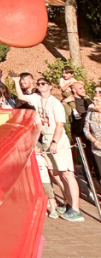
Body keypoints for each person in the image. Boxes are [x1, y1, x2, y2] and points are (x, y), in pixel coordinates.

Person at [36, 77, 84, 222]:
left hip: (57, 140)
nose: (40, 85)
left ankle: (76, 209)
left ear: (50, 86)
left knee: (68, 173)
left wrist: (55, 141)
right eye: (38, 84)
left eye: (43, 83)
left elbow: (60, 125)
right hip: (46, 138)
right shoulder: (38, 101)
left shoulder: (56, 103)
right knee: (56, 173)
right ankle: (68, 202)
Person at [83, 87, 101, 181]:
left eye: (97, 101)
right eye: (94, 101)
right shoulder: (90, 113)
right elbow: (86, 130)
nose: (94, 103)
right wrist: (94, 140)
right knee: (99, 173)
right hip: (96, 149)